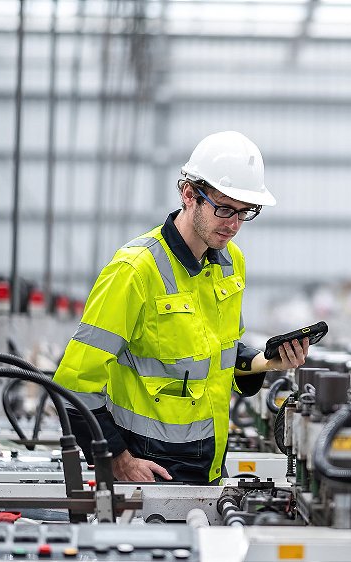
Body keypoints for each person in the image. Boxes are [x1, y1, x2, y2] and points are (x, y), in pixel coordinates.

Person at [53, 131, 309, 484]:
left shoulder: (231, 263)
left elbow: (220, 355)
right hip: (148, 474)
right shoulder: (135, 270)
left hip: (209, 468)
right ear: (189, 194)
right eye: (224, 209)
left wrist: (267, 361)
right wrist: (116, 459)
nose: (234, 225)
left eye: (245, 212)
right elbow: (74, 383)